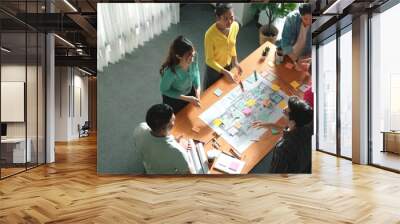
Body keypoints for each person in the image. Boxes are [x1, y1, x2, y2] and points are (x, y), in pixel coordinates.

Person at [252, 96, 313, 173]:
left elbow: (275, 172)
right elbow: (291, 132)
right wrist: (271, 125)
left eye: (285, 112)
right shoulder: (307, 126)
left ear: (292, 122)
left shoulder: (283, 148)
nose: (283, 109)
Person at [133, 104, 196, 174]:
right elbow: (190, 175)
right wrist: (181, 148)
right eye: (173, 121)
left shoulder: (141, 127)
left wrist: (175, 142)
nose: (174, 121)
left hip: (150, 168)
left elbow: (157, 145)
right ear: (163, 129)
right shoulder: (177, 151)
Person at [203, 3, 243, 89]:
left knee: (224, 89)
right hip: (214, 70)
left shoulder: (235, 26)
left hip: (228, 65)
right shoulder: (209, 35)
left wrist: (235, 62)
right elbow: (209, 60)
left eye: (231, 17)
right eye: (226, 19)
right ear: (218, 18)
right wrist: (225, 72)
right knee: (211, 93)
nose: (230, 22)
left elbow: (232, 45)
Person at [160, 36, 201, 114]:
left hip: (190, 93)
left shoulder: (194, 56)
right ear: (178, 56)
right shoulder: (170, 72)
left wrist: (197, 92)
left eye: (192, 54)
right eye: (188, 57)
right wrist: (186, 98)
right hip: (175, 100)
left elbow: (196, 72)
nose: (192, 59)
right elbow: (164, 90)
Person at [278, 3, 312, 71]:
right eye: (305, 19)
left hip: (303, 57)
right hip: (288, 54)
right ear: (300, 15)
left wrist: (307, 59)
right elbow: (285, 44)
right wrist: (296, 60)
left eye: (312, 19)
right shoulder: (291, 19)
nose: (309, 22)